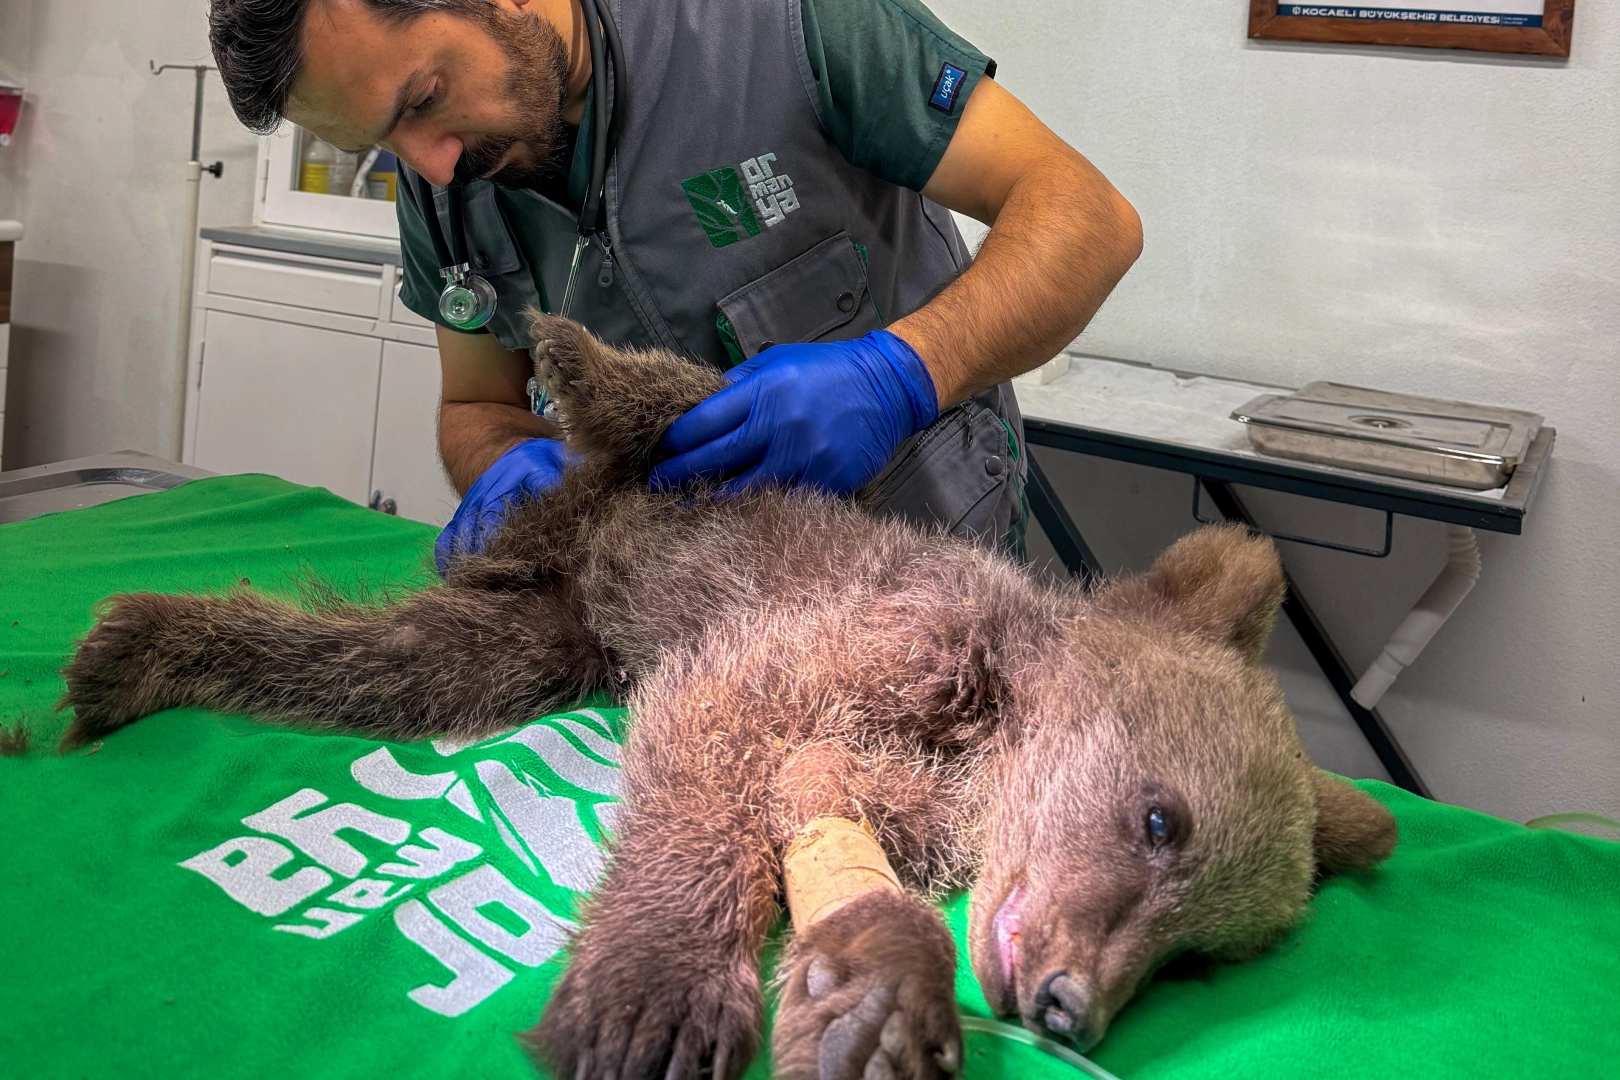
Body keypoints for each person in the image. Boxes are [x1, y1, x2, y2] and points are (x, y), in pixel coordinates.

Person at [207, 0, 1142, 566]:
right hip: (672, 622)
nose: (434, 167)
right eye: (385, 144)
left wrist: (902, 372)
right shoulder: (443, 178)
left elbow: (1087, 216)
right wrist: (505, 468)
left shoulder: (780, 28)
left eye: (423, 101)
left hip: (918, 573)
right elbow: (476, 402)